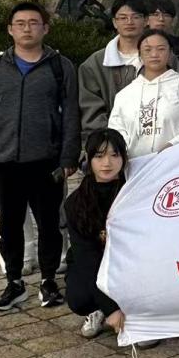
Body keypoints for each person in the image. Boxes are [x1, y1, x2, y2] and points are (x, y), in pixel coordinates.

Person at [0, 1, 79, 312]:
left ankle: (48, 280)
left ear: (45, 28)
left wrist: (68, 157)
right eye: (20, 23)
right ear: (10, 29)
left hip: (46, 161)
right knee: (9, 225)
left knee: (50, 225)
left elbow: (72, 115)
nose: (27, 28)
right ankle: (14, 282)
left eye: (33, 22)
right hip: (4, 162)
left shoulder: (61, 67)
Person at [64, 128, 128, 340]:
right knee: (79, 297)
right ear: (89, 160)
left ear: (124, 158)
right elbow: (86, 258)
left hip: (129, 263)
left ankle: (139, 316)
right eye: (99, 156)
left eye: (114, 155)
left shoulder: (135, 193)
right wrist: (110, 308)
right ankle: (99, 309)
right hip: (96, 263)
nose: (107, 163)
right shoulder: (76, 203)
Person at [108, 29, 179, 160]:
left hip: (175, 162)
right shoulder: (125, 94)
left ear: (170, 53)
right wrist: (126, 154)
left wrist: (173, 145)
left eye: (161, 49)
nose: (154, 54)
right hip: (134, 165)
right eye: (148, 50)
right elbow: (116, 130)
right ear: (139, 54)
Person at [79, 0, 149, 139]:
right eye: (122, 18)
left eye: (135, 17)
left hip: (155, 139)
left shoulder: (164, 58)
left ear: (146, 20)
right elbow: (91, 112)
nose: (129, 22)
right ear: (114, 22)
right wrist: (112, 140)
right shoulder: (94, 64)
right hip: (110, 143)